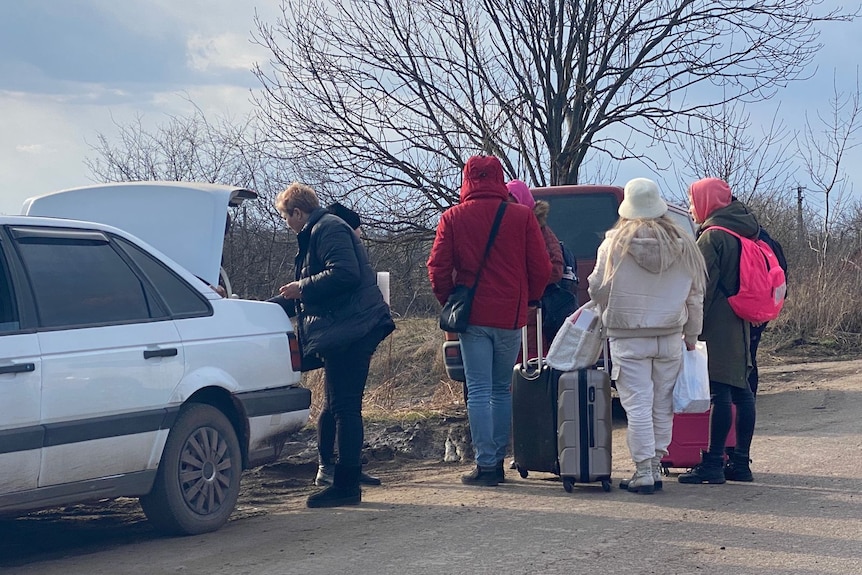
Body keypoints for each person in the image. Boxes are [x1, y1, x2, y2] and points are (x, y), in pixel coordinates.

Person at [427, 155, 551, 487]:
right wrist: (530, 300)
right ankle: (498, 458)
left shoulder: (452, 217)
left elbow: (437, 268)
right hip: (511, 314)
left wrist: (451, 301)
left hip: (473, 316)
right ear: (499, 178)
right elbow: (541, 267)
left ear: (467, 179)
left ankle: (487, 466)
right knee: (501, 388)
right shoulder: (522, 217)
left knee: (478, 390)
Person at [275, 182, 395, 507]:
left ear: (298, 212)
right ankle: (344, 477)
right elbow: (318, 288)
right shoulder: (323, 229)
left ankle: (346, 486)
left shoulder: (326, 229)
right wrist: (270, 306)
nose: (286, 224)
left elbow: (345, 274)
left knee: (344, 408)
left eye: (286, 217)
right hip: (350, 329)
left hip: (352, 331)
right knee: (338, 405)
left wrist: (303, 285)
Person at [587, 178, 706, 494]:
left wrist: (604, 305)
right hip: (670, 338)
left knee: (637, 405)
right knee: (661, 405)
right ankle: (655, 463)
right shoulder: (685, 246)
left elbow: (597, 288)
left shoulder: (613, 245)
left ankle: (643, 471)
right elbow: (695, 297)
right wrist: (692, 334)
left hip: (627, 337)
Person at [679, 177, 759, 484]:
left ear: (706, 201)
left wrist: (690, 325)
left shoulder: (712, 237)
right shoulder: (741, 230)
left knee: (720, 391)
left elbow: (701, 289)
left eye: (691, 200)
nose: (690, 208)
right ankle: (740, 462)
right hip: (739, 317)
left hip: (716, 321)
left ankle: (713, 463)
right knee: (742, 390)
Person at [302, 201, 382, 488]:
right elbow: (338, 280)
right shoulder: (331, 239)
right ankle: (335, 467)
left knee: (338, 402)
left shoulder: (323, 239)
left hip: (343, 331)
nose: (360, 235)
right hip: (343, 333)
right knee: (341, 404)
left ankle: (336, 466)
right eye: (358, 229)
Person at [506, 179, 565, 356]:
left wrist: (527, 282)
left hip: (535, 317)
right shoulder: (504, 231)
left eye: (513, 204)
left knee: (532, 371)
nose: (510, 210)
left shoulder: (542, 232)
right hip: (509, 318)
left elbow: (555, 269)